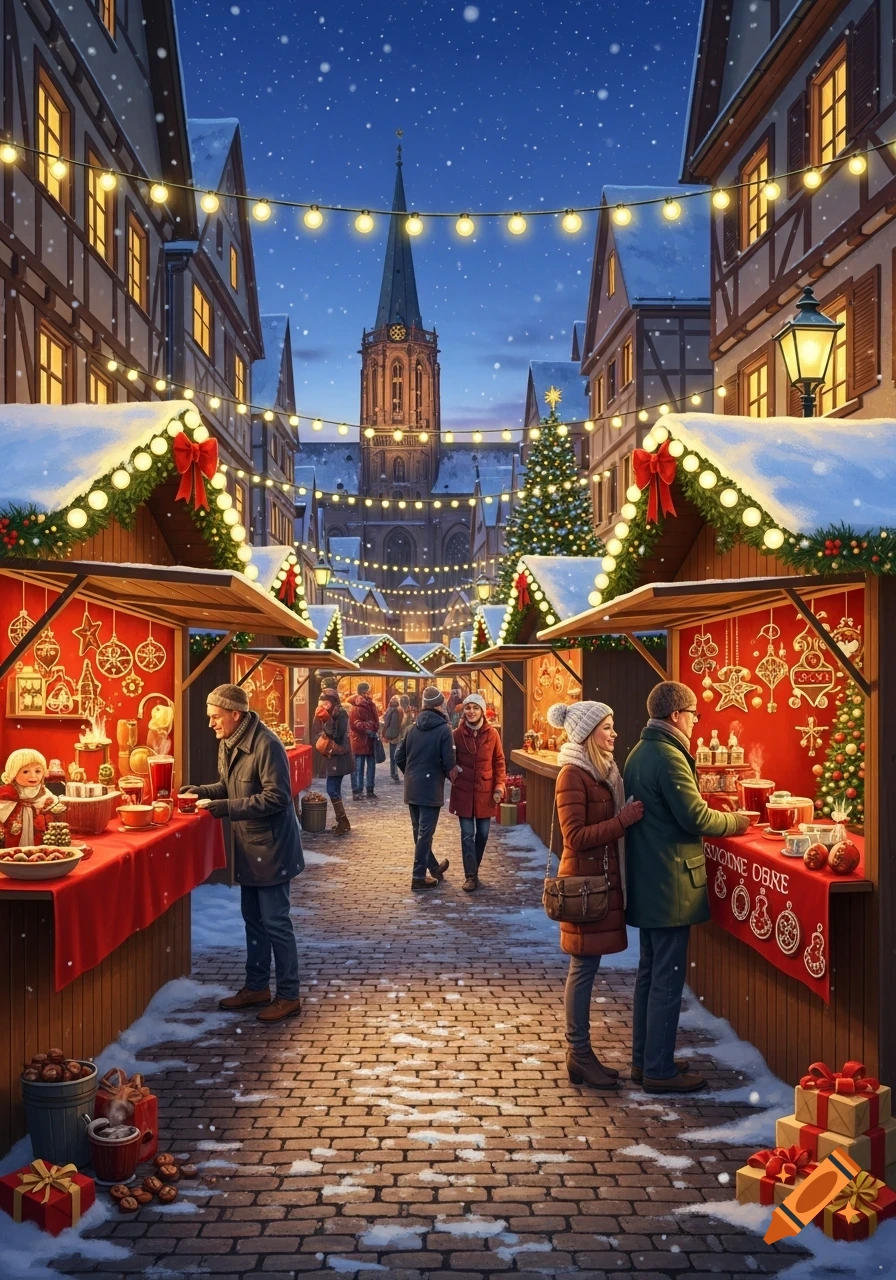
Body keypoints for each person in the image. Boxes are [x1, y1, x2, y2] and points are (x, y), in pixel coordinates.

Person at [623, 681, 750, 1092]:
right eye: (694, 714)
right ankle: (659, 1070)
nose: (697, 722)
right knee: (667, 977)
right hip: (671, 883)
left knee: (650, 973)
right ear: (676, 715)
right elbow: (695, 817)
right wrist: (738, 821)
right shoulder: (669, 756)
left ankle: (645, 1060)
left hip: (649, 879)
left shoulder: (640, 752)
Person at [183, 684, 304, 1023]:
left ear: (235, 714)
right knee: (254, 920)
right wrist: (201, 792)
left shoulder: (266, 744)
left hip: (273, 848)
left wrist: (223, 807)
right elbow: (230, 787)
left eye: (215, 717)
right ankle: (257, 987)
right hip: (252, 848)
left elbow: (277, 797)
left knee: (276, 923)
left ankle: (289, 995)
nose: (211, 724)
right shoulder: (231, 742)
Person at [548, 701, 644, 1090]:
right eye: (607, 727)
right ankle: (578, 1054)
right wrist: (622, 821)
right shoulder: (573, 775)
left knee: (584, 969)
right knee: (582, 970)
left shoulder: (601, 771)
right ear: (588, 734)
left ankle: (582, 1055)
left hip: (597, 885)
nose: (614, 733)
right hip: (585, 888)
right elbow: (575, 837)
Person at [394, 685, 455, 891]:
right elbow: (449, 761)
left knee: (418, 831)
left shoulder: (412, 728)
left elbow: (398, 757)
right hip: (430, 788)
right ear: (439, 706)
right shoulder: (444, 729)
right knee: (425, 834)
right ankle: (418, 877)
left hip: (412, 787)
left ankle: (434, 867)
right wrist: (447, 775)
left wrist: (411, 773)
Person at [448, 693, 506, 892]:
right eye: (467, 708)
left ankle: (474, 869)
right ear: (463, 711)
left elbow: (499, 762)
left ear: (482, 711)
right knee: (467, 834)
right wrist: (453, 773)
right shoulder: (456, 734)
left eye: (475, 708)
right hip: (463, 792)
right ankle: (470, 876)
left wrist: (499, 787)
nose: (471, 711)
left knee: (482, 834)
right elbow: (449, 760)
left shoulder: (492, 734)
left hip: (485, 792)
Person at [0, 748, 66, 847]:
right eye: (25, 772)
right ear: (14, 774)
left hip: (38, 834)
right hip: (12, 835)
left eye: (38, 771)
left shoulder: (43, 792)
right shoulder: (7, 794)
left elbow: (52, 808)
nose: (33, 776)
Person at [314, 687, 353, 834]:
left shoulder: (341, 713)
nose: (324, 704)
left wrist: (327, 720)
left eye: (326, 702)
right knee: (334, 789)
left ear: (332, 701)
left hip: (340, 757)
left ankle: (343, 821)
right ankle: (342, 821)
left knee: (331, 789)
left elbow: (337, 735)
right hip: (333, 756)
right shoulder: (331, 712)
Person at [348, 681, 381, 800]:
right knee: (359, 767)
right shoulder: (356, 707)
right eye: (368, 690)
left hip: (370, 740)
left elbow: (376, 722)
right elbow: (355, 724)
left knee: (371, 766)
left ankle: (369, 789)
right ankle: (357, 791)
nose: (370, 693)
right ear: (364, 692)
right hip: (360, 740)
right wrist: (370, 725)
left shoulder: (370, 704)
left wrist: (374, 726)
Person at [381, 694, 404, 784]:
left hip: (392, 734)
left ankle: (393, 773)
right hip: (399, 734)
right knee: (397, 754)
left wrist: (383, 733)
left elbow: (386, 723)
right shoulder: (400, 710)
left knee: (392, 755)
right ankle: (395, 773)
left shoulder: (390, 711)